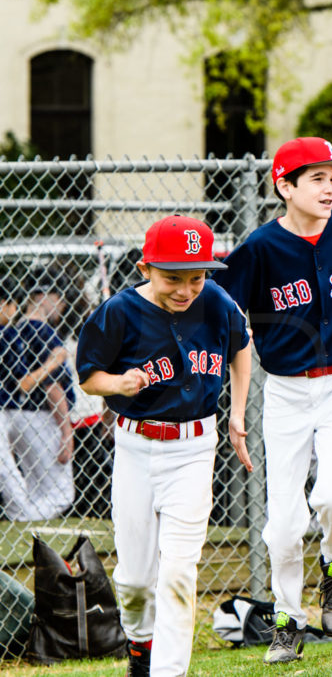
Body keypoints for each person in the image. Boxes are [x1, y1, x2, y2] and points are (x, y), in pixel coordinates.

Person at [214, 137, 332, 663]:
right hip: (284, 391)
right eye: (317, 179)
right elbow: (230, 325)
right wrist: (235, 410)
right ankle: (287, 620)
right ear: (284, 186)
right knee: (283, 523)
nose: (330, 188)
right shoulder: (259, 248)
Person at [75, 215, 252, 677]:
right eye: (172, 277)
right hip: (136, 447)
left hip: (194, 448)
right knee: (134, 580)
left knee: (178, 572)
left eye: (196, 276)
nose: (186, 289)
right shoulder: (119, 311)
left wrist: (236, 413)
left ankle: (168, 672)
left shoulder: (213, 299)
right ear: (145, 268)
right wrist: (120, 381)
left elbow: (241, 345)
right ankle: (140, 644)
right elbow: (89, 376)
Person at [2, 278, 76, 521]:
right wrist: (67, 432)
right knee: (62, 494)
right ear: (45, 297)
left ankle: (28, 522)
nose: (63, 309)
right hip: (40, 415)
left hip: (10, 411)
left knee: (32, 485)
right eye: (60, 301)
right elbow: (53, 387)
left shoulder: (9, 332)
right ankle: (25, 519)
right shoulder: (44, 331)